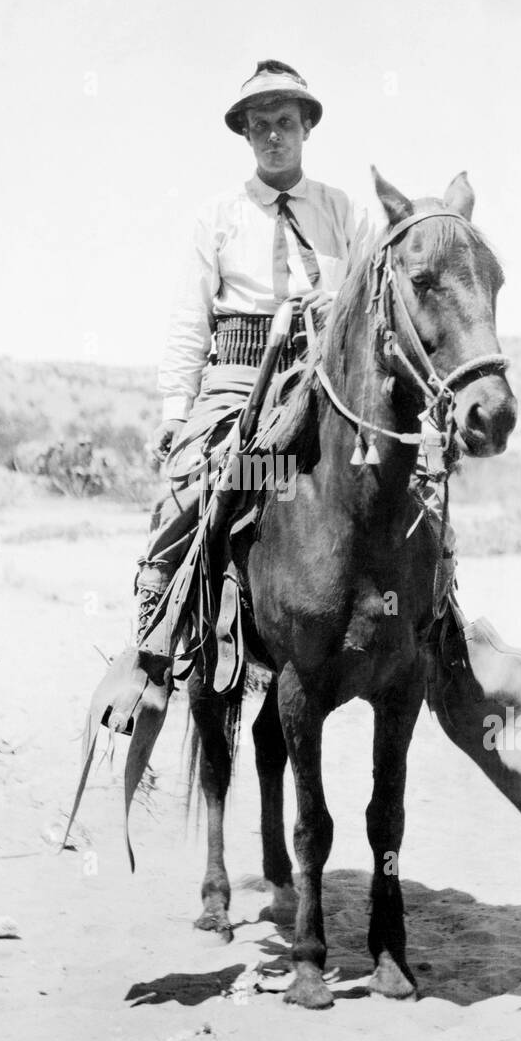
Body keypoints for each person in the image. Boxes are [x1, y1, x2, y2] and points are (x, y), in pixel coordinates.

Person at [133, 59, 366, 646]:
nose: (272, 135)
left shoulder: (344, 211)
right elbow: (191, 318)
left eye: (284, 121)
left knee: (400, 474)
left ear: (307, 127)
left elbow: (368, 302)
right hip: (240, 378)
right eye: (258, 124)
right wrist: (174, 409)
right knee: (199, 476)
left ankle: (437, 621)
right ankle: (160, 605)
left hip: (326, 381)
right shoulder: (217, 216)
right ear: (244, 133)